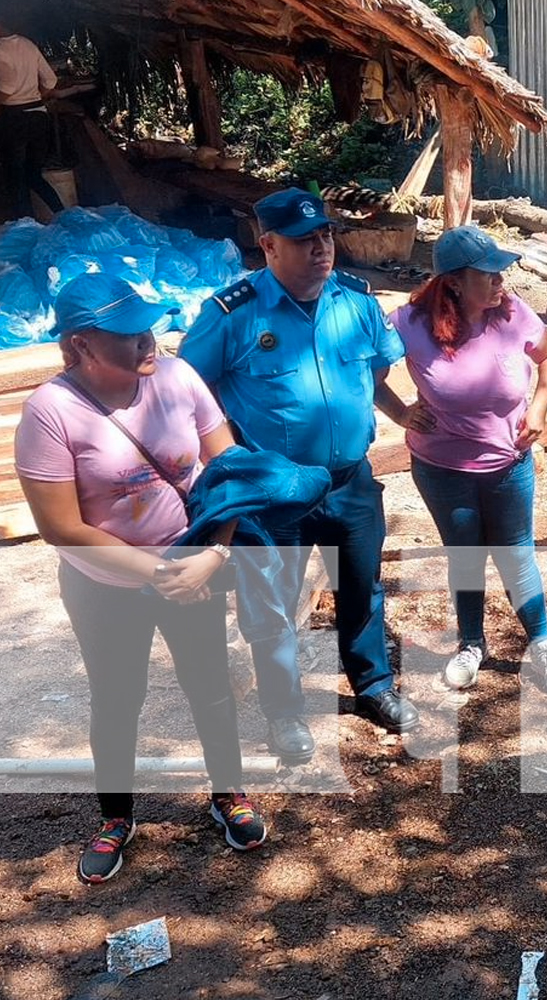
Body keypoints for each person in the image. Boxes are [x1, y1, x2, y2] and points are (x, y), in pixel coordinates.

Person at [16, 274, 270, 884]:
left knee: (209, 686)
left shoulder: (179, 379)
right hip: (105, 586)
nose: (147, 341)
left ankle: (228, 794)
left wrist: (213, 554)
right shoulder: (51, 412)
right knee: (116, 700)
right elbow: (62, 527)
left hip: (193, 568)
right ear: (81, 346)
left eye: (149, 326)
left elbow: (228, 472)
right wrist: (161, 571)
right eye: (129, 334)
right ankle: (114, 818)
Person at [181, 188, 419, 765]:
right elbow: (185, 391)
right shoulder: (233, 314)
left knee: (361, 587)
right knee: (274, 605)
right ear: (267, 245)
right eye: (304, 240)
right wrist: (224, 465)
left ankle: (373, 687)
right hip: (274, 491)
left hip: (350, 481)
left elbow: (380, 363)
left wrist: (395, 413)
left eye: (326, 236)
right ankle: (284, 712)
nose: (321, 249)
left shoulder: (358, 303)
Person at [377, 226, 547, 693]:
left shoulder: (511, 312)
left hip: (509, 463)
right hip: (443, 469)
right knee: (464, 555)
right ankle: (471, 643)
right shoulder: (410, 323)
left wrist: (540, 405)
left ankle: (542, 641)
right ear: (455, 282)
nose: (502, 279)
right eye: (489, 273)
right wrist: (401, 411)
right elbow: (366, 371)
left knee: (516, 552)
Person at [0, 17, 64, 220]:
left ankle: (25, 226)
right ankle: (63, 214)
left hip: (15, 120)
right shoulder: (28, 44)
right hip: (39, 116)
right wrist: (35, 95)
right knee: (34, 175)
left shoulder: (0, 51)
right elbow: (50, 81)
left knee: (15, 177)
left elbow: (6, 90)